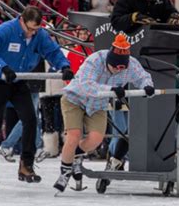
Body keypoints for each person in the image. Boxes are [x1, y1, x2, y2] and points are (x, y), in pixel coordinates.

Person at [0, 6, 73, 190]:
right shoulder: (7, 29)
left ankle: (26, 165)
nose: (32, 33)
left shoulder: (40, 35)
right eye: (29, 29)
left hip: (18, 80)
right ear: (21, 20)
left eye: (35, 30)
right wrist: (2, 66)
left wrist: (64, 66)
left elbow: (52, 51)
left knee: (30, 119)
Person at [53, 34, 154, 192]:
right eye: (115, 67)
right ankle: (65, 172)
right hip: (75, 99)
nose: (118, 71)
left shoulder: (131, 65)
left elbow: (143, 77)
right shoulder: (95, 60)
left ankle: (75, 155)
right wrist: (111, 90)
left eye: (122, 68)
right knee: (74, 135)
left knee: (95, 140)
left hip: (97, 105)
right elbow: (86, 85)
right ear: (109, 61)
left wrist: (147, 86)